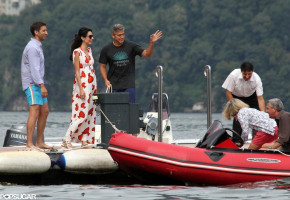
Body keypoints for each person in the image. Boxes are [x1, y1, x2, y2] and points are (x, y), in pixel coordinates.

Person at [99, 24, 162, 103]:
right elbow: (102, 66)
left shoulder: (131, 46)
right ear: (113, 35)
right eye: (119, 35)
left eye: (123, 34)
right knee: (114, 111)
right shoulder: (106, 49)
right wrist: (105, 80)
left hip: (129, 85)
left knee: (129, 110)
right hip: (113, 86)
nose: (122, 37)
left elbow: (147, 54)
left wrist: (151, 43)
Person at [62, 27, 98, 149]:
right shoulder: (77, 52)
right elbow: (77, 71)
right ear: (83, 38)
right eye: (90, 36)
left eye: (92, 36)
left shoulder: (90, 50)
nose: (92, 38)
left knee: (90, 112)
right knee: (81, 113)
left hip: (92, 84)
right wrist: (81, 88)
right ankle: (67, 137)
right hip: (82, 83)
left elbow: (91, 68)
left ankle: (84, 139)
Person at [21, 21, 52, 149]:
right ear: (36, 32)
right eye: (44, 30)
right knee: (34, 111)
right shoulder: (33, 47)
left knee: (45, 111)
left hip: (38, 84)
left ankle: (39, 142)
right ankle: (29, 143)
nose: (46, 33)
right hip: (32, 84)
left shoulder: (37, 46)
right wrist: (42, 85)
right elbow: (34, 69)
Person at [222, 61, 265, 142]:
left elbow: (260, 98)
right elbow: (228, 92)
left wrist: (263, 113)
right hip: (236, 97)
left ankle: (257, 140)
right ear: (241, 71)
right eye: (245, 74)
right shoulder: (234, 75)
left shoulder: (257, 78)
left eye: (249, 74)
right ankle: (237, 140)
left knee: (258, 116)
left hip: (252, 97)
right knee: (238, 117)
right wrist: (235, 108)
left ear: (253, 71)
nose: (247, 76)